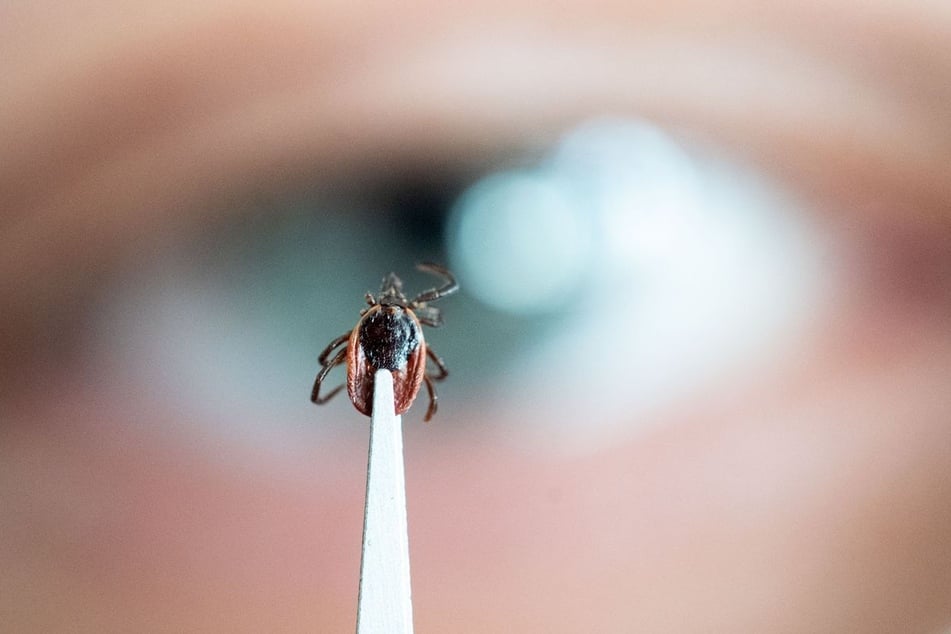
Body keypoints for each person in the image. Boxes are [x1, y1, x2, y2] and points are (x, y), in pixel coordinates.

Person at [2, 2, 951, 631]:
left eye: (397, 310)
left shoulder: (378, 337)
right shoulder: (402, 339)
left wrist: (369, 378)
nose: (389, 315)